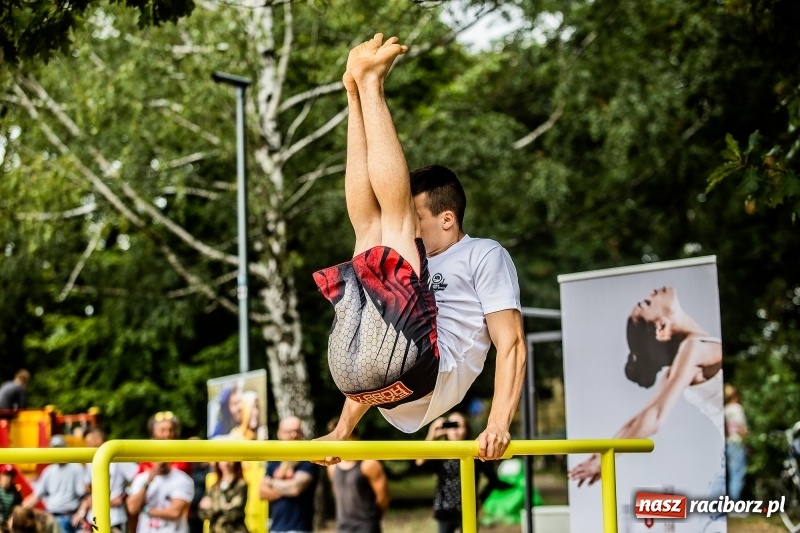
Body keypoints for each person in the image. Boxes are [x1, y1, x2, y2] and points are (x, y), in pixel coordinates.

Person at [313, 33, 526, 463]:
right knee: (370, 223)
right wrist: (341, 432)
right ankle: (356, 90)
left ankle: (367, 86)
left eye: (419, 218)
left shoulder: (483, 254)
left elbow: (513, 343)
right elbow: (377, 347)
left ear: (447, 218)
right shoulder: (407, 271)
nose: (411, 227)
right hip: (355, 374)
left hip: (423, 368)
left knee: (382, 223)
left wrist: (498, 421)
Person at [568, 286, 724, 486]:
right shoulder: (693, 349)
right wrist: (605, 458)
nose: (652, 291)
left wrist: (605, 453)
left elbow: (639, 418)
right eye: (647, 303)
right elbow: (654, 416)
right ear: (661, 328)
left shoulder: (684, 359)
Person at [416, 412, 509, 533]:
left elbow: (493, 480)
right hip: (444, 510)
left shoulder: (476, 452)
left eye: (457, 425)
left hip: (468, 509)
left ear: (466, 429)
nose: (454, 430)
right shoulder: (440, 452)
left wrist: (480, 498)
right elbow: (419, 464)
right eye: (450, 425)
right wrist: (431, 435)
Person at [258, 416, 319, 533]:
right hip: (275, 528)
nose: (294, 435)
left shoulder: (309, 460)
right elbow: (262, 492)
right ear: (279, 434)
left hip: (299, 528)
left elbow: (295, 488)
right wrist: (287, 487)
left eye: (297, 431)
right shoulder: (274, 463)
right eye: (289, 432)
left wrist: (271, 482)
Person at [326, 424, 389, 533]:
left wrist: (371, 518)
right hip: (343, 526)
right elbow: (337, 492)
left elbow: (383, 498)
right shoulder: (332, 467)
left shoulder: (369, 465)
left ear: (354, 436)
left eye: (343, 437)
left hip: (366, 525)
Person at [22, 435, 87, 533]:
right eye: (54, 449)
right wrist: (18, 512)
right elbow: (36, 496)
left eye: (59, 448)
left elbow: (86, 497)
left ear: (65, 449)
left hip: (68, 516)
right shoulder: (48, 471)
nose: (57, 452)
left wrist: (81, 513)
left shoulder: (76, 469)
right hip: (50, 515)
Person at [79, 427, 138, 533]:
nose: (87, 445)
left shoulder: (116, 457)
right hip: (94, 516)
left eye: (88, 442)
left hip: (115, 517)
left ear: (98, 440)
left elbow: (138, 476)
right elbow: (87, 487)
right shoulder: (90, 460)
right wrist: (84, 508)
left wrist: (125, 496)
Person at [126, 462, 193, 533]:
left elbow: (174, 513)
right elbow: (132, 508)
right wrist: (147, 483)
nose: (161, 463)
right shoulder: (141, 478)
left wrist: (146, 509)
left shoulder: (182, 479)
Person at [197, 462, 248, 533]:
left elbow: (234, 512)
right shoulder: (213, 488)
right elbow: (203, 513)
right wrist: (226, 506)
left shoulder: (241, 485)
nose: (226, 463)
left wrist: (212, 505)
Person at [724, 384, 748, 501]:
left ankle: (731, 503)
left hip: (728, 443)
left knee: (732, 474)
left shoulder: (725, 409)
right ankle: (735, 504)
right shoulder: (737, 408)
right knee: (738, 474)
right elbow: (741, 429)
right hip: (737, 443)